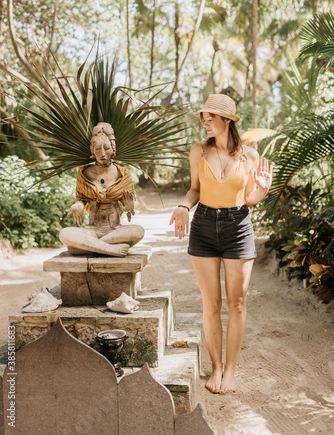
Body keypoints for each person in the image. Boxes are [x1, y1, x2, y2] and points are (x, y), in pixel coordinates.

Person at [169, 94, 273, 394]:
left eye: (211, 117)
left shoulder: (250, 157)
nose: (206, 121)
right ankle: (215, 368)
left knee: (237, 303)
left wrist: (263, 190)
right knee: (212, 304)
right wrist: (183, 207)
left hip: (238, 227)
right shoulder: (198, 151)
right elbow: (194, 189)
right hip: (203, 227)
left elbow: (249, 199)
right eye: (204, 116)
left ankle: (230, 371)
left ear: (227, 120)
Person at [59, 122, 144, 257]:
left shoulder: (122, 173)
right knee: (64, 234)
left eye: (107, 148)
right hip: (91, 229)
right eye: (98, 149)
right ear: (92, 150)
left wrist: (129, 207)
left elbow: (129, 205)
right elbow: (80, 199)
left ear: (113, 149)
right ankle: (109, 249)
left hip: (114, 231)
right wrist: (78, 205)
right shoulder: (84, 172)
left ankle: (89, 246)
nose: (102, 153)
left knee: (138, 231)